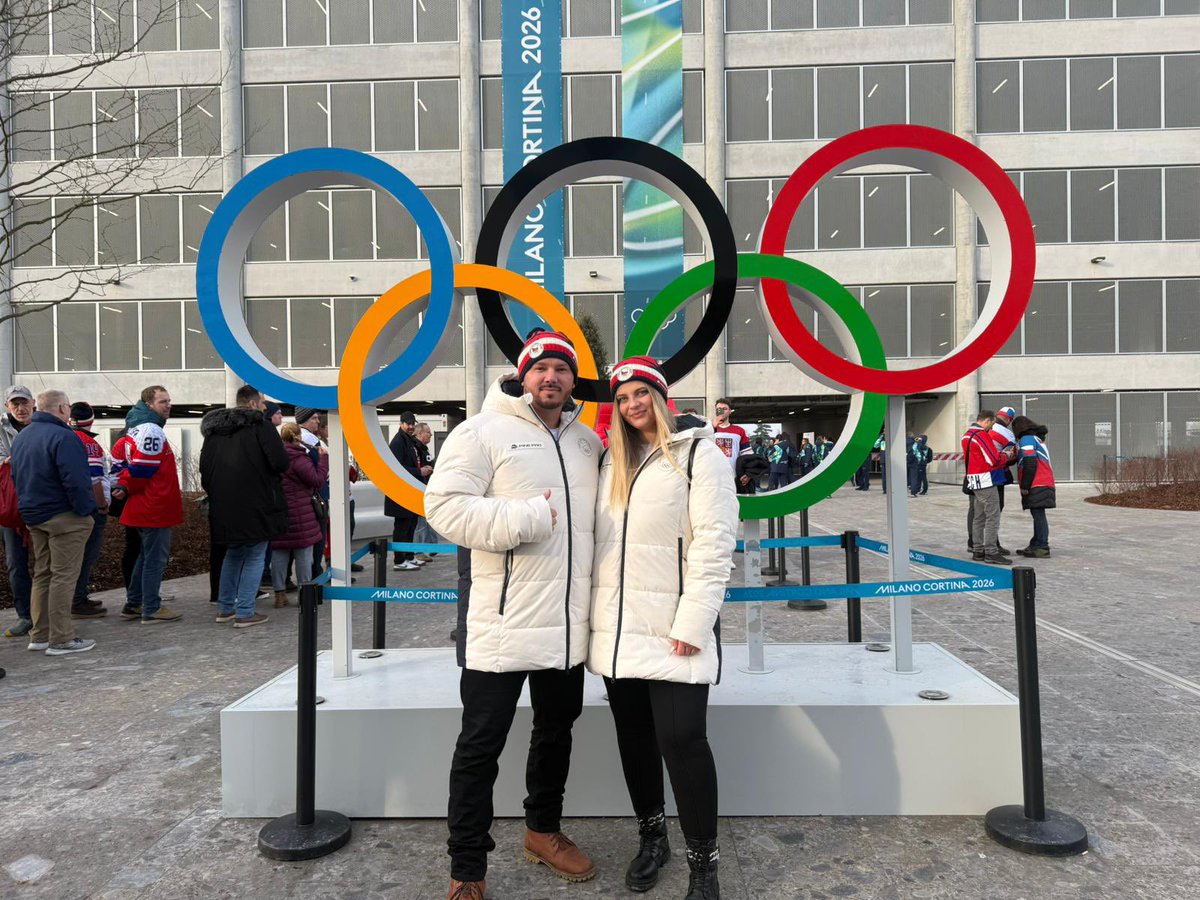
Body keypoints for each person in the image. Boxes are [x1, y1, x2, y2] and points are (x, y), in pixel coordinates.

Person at [424, 329, 603, 900]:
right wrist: (528, 518)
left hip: (567, 625)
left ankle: (542, 831)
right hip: (501, 625)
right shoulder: (480, 430)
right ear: (521, 375)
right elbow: (445, 509)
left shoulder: (585, 443)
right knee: (480, 746)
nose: (551, 378)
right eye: (540, 368)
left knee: (555, 734)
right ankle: (467, 868)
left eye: (561, 369)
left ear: (573, 380)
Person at [590, 356, 736, 899]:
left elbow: (715, 544)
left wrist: (695, 619)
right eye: (623, 398)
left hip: (675, 625)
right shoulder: (611, 461)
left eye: (641, 394)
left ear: (661, 397)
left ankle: (705, 865)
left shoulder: (700, 453)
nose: (633, 406)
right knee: (635, 739)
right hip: (618, 629)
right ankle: (653, 838)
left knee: (683, 740)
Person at [10, 390, 98, 656]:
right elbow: (76, 480)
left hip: (34, 515)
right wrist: (86, 511)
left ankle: (40, 635)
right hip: (64, 516)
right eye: (68, 407)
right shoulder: (64, 437)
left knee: (43, 574)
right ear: (62, 408)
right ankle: (61, 638)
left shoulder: (23, 437)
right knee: (63, 576)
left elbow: (16, 476)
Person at [201, 386, 290, 627]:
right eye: (262, 403)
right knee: (255, 555)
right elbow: (281, 463)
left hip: (224, 505)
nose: (264, 408)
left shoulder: (214, 431)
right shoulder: (261, 427)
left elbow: (205, 470)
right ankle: (245, 611)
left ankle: (225, 607)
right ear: (251, 404)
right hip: (257, 502)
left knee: (233, 553)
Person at [111, 385, 184, 623]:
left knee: (144, 555)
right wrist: (126, 485)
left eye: (169, 400)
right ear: (149, 404)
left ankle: (134, 603)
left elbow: (120, 461)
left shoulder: (134, 428)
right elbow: (143, 468)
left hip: (142, 504)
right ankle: (151, 607)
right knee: (154, 559)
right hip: (154, 505)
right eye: (163, 401)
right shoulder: (151, 429)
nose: (168, 405)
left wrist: (122, 484)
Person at [270, 424, 329, 605]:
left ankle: (279, 594)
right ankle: (305, 593)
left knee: (280, 551)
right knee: (303, 553)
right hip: (301, 512)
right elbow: (317, 480)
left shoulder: (274, 457)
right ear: (297, 437)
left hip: (279, 511)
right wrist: (323, 460)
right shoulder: (298, 458)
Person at [68, 402, 110, 618]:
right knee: (86, 556)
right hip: (91, 508)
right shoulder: (88, 443)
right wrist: (102, 506)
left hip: (71, 508)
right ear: (90, 421)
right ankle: (78, 599)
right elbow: (95, 478)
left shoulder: (64, 437)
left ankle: (77, 597)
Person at [1, 385, 35, 638]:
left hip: (43, 502)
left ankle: (54, 613)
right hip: (10, 507)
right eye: (15, 404)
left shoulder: (47, 426)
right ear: (7, 407)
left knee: (53, 562)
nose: (20, 408)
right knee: (16, 562)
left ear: (33, 403)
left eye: (24, 403)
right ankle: (26, 615)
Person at [961, 411, 1011, 565]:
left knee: (979, 516)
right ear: (988, 421)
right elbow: (993, 459)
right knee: (992, 516)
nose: (992, 428)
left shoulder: (967, 435)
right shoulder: (981, 435)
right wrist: (1007, 456)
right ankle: (991, 551)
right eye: (992, 424)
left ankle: (978, 550)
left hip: (973, 479)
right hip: (985, 480)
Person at [1012, 415, 1056, 558]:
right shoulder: (1035, 438)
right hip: (1043, 481)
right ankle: (1036, 544)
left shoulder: (1027, 439)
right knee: (1037, 514)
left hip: (1037, 482)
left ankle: (1042, 546)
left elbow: (1030, 462)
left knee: (1038, 515)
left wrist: (1025, 485)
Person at [386, 411, 424, 571]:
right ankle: (399, 560)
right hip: (399, 492)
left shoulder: (408, 440)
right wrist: (419, 472)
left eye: (412, 424)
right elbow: (396, 468)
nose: (410, 426)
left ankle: (409, 556)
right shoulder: (397, 442)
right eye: (408, 424)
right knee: (402, 527)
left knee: (411, 524)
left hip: (408, 491)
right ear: (401, 423)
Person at [293, 408, 329, 579]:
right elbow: (319, 471)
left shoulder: (297, 439)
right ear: (305, 420)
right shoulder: (309, 440)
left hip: (302, 495)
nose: (318, 422)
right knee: (316, 537)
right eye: (314, 418)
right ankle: (315, 575)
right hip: (315, 494)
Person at [412, 422, 442, 561]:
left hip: (427, 487)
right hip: (419, 488)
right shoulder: (416, 449)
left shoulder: (424, 448)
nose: (430, 435)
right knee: (421, 523)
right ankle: (420, 551)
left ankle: (431, 546)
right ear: (419, 434)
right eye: (428, 432)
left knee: (428, 520)